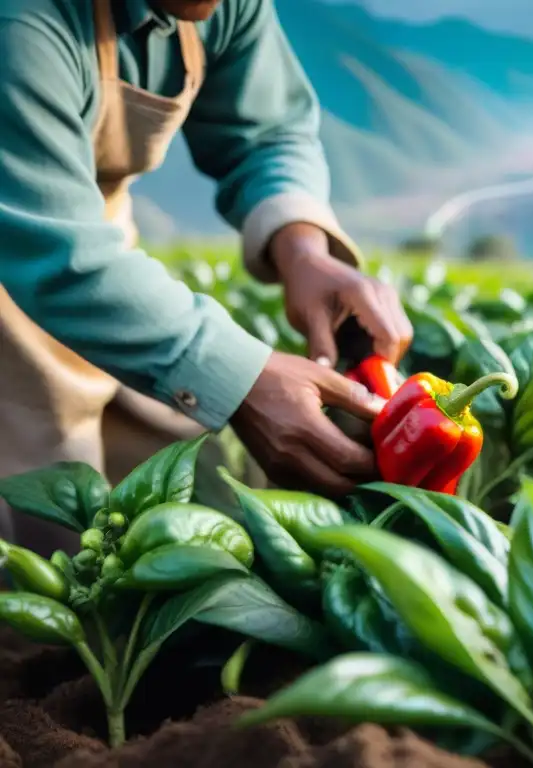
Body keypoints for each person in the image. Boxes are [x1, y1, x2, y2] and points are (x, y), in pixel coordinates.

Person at [0, 0, 413, 555]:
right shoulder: (21, 24)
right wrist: (239, 379)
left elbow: (269, 131)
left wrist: (303, 248)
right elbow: (56, 247)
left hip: (108, 266)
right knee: (46, 546)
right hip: (25, 277)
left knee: (175, 486)